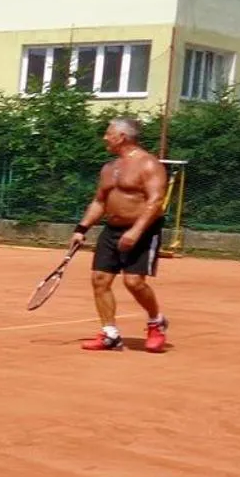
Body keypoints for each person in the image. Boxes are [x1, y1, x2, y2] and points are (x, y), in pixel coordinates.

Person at [71, 116, 170, 352]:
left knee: (134, 282)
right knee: (100, 280)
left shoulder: (149, 164)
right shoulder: (109, 168)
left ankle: (156, 322)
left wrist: (136, 231)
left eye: (108, 133)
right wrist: (81, 229)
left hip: (143, 230)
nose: (105, 137)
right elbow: (99, 202)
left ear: (122, 137)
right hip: (112, 230)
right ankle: (110, 334)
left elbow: (156, 202)